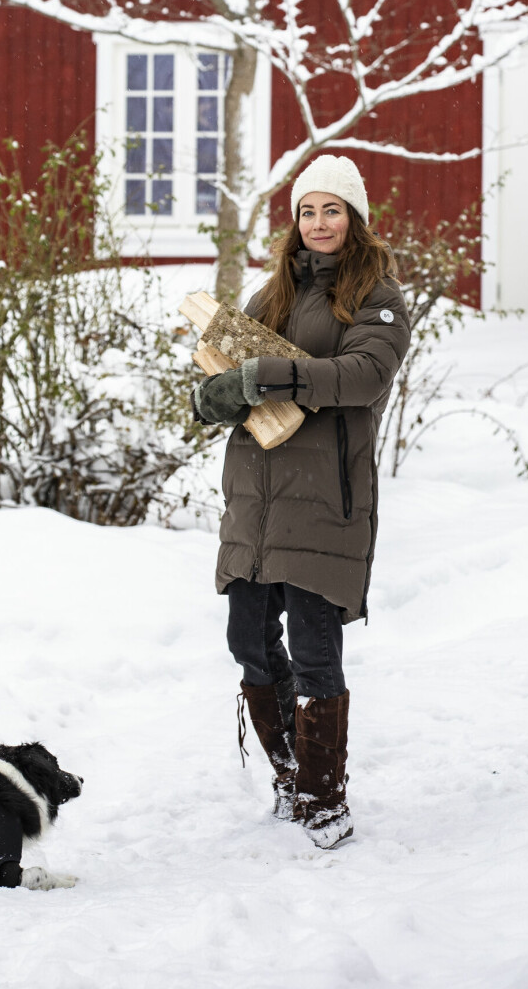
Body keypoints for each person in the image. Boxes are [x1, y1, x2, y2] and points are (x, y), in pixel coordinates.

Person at [193, 155, 410, 849]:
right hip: (255, 503)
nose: (319, 223)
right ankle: (290, 774)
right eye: (308, 211)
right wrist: (214, 396)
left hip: (322, 500)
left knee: (314, 651)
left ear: (355, 218)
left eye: (332, 210)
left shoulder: (376, 295)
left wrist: (267, 377)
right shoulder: (272, 293)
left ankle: (324, 799)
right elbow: (232, 370)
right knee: (248, 642)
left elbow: (365, 374)